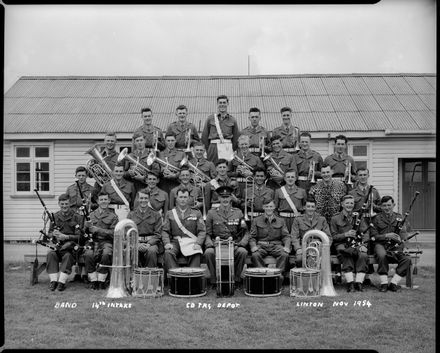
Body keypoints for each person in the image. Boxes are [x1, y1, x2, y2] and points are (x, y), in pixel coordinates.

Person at [204, 186, 249, 290]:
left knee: (242, 252)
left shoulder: (238, 212)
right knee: (208, 253)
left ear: (231, 198)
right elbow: (207, 232)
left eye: (227, 197)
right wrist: (210, 243)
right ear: (219, 198)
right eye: (222, 197)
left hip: (233, 244)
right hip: (217, 244)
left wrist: (242, 243)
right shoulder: (211, 213)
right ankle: (215, 281)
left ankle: (236, 280)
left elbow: (246, 231)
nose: (225, 199)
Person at [370, 196, 412, 292]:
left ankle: (394, 283)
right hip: (380, 244)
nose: (387, 207)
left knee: (407, 259)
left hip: (395, 245)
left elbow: (403, 233)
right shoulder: (376, 218)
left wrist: (405, 246)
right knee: (382, 255)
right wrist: (386, 235)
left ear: (393, 205)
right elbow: (373, 236)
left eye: (389, 205)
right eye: (384, 205)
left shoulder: (400, 217)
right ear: (381, 206)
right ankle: (384, 283)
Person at [330, 195, 370, 292]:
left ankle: (359, 282)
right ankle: (350, 283)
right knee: (346, 254)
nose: (349, 205)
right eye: (347, 203)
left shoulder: (358, 217)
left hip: (356, 243)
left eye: (351, 203)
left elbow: (366, 232)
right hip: (342, 244)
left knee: (363, 255)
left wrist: (364, 245)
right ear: (342, 204)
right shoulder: (335, 219)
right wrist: (345, 234)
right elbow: (333, 236)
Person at [162, 188, 206, 272]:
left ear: (189, 198)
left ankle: (192, 279)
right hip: (176, 241)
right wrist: (167, 243)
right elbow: (165, 231)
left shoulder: (196, 213)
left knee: (196, 253)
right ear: (177, 198)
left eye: (185, 197)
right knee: (168, 253)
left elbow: (202, 231)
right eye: (181, 197)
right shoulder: (170, 213)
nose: (183, 199)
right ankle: (175, 279)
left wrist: (198, 243)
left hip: (191, 241)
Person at [46, 193, 83, 292]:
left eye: (66, 204)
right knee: (51, 254)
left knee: (67, 256)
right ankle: (53, 281)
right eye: (62, 204)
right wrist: (53, 234)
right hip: (58, 246)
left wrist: (66, 237)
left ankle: (61, 282)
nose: (64, 206)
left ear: (70, 203)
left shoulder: (77, 217)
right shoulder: (55, 216)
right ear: (59, 204)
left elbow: (80, 236)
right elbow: (49, 233)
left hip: (71, 247)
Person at [249, 199, 291, 283]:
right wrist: (253, 246)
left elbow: (286, 236)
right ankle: (263, 277)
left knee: (284, 254)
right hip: (261, 246)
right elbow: (252, 237)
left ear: (274, 207)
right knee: (255, 255)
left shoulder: (281, 221)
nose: (269, 208)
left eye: (271, 206)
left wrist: (286, 246)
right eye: (267, 206)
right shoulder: (256, 220)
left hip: (276, 246)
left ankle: (278, 277)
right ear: (263, 207)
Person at [83, 191, 118, 290]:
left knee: (106, 253)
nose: (103, 201)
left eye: (105, 199)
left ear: (109, 201)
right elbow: (83, 233)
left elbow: (114, 233)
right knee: (88, 254)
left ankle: (102, 280)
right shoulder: (90, 215)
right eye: (101, 199)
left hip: (106, 241)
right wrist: (85, 227)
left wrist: (99, 230)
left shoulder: (113, 216)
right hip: (92, 241)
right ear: (98, 201)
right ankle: (93, 280)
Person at [290, 197, 331, 268]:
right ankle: (304, 278)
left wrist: (324, 248)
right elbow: (294, 237)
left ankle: (320, 278)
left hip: (319, 247)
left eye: (312, 207)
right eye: (308, 206)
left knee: (328, 261)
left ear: (315, 208)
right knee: (299, 260)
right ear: (304, 207)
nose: (310, 209)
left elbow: (328, 237)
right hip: (303, 247)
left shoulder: (322, 219)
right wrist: (298, 248)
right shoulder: (298, 219)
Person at [127, 188, 163, 268]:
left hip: (151, 243)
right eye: (141, 198)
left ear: (149, 199)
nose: (143, 200)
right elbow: (129, 233)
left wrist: (149, 244)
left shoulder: (156, 215)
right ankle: (134, 276)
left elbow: (158, 234)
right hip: (136, 242)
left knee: (152, 251)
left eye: (146, 198)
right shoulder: (131, 215)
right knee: (132, 250)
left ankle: (149, 275)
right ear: (138, 199)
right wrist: (137, 244)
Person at [201, 95, 240, 164]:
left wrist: (231, 149)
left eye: (224, 103)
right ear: (217, 104)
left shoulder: (232, 120)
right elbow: (204, 136)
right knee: (212, 167)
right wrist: (209, 149)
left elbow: (236, 138)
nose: (222, 105)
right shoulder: (210, 119)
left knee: (225, 169)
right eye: (220, 103)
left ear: (227, 104)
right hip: (213, 147)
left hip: (227, 147)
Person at [89, 132, 120, 205]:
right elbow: (90, 175)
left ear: (116, 142)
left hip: (114, 190)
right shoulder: (98, 156)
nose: (110, 143)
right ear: (104, 141)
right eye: (108, 140)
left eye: (112, 141)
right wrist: (93, 168)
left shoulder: (119, 158)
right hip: (99, 190)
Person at [274, 169, 307, 233]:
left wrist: (302, 220)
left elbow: (305, 207)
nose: (290, 179)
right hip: (283, 219)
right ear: (284, 178)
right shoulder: (278, 191)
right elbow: (275, 208)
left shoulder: (302, 191)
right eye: (288, 177)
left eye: (292, 177)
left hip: (297, 219)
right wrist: (278, 221)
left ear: (296, 178)